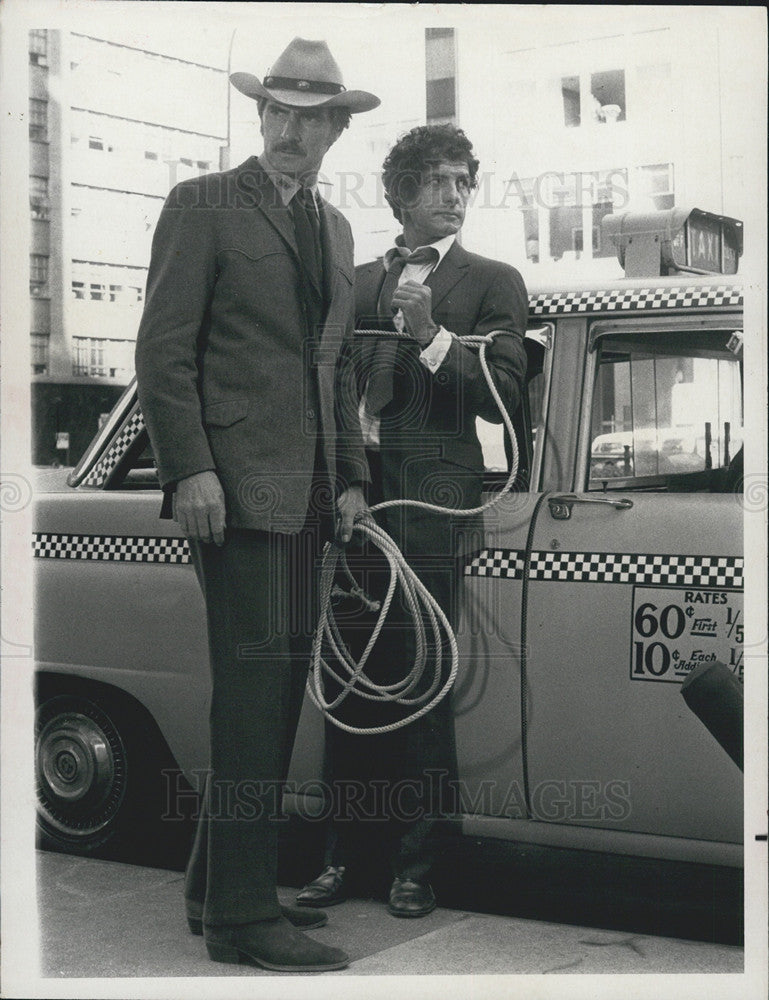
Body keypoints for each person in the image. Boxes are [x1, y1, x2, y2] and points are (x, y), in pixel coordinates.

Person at [134, 38, 379, 972]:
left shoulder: (336, 231)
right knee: (253, 695)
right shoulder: (201, 204)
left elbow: (339, 364)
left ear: (335, 130)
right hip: (230, 493)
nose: (288, 130)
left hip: (307, 494)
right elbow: (163, 349)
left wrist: (349, 476)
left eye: (309, 117)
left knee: (269, 695)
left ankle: (213, 889)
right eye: (276, 111)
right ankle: (242, 920)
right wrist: (188, 469)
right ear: (260, 116)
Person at [297, 124, 528, 917]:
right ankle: (339, 858)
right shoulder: (352, 282)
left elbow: (506, 393)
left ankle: (416, 867)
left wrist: (430, 334)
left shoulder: (492, 283)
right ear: (399, 193)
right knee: (349, 680)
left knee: (420, 683)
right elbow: (322, 393)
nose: (454, 194)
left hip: (433, 509)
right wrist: (339, 488)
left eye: (464, 180)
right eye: (436, 181)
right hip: (356, 508)